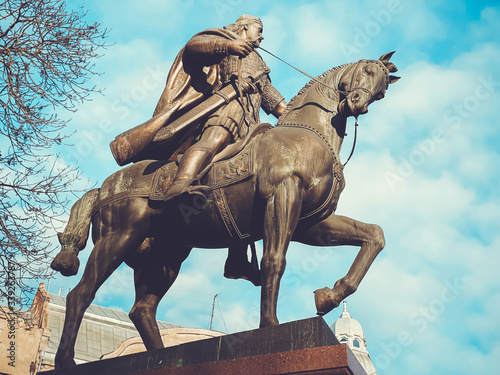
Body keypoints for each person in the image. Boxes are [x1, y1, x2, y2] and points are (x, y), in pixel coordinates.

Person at [158, 14, 287, 200]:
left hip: (252, 125)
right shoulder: (225, 41)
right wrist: (228, 46)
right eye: (259, 30)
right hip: (229, 107)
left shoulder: (261, 67)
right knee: (215, 138)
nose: (262, 36)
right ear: (245, 28)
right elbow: (193, 47)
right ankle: (179, 185)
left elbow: (279, 106)